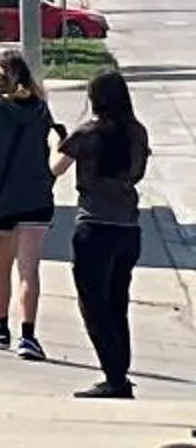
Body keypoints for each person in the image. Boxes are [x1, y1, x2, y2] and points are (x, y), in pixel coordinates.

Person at [52, 68, 152, 400]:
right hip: (128, 228)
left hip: (94, 226)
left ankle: (115, 378)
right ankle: (119, 370)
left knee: (93, 305)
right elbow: (137, 173)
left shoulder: (88, 134)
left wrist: (55, 141)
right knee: (117, 302)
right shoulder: (137, 133)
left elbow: (55, 168)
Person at [0, 47, 57, 360]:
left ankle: (1, 325)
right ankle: (29, 336)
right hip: (36, 196)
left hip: (1, 198)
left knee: (1, 267)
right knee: (29, 270)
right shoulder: (40, 108)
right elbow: (53, 145)